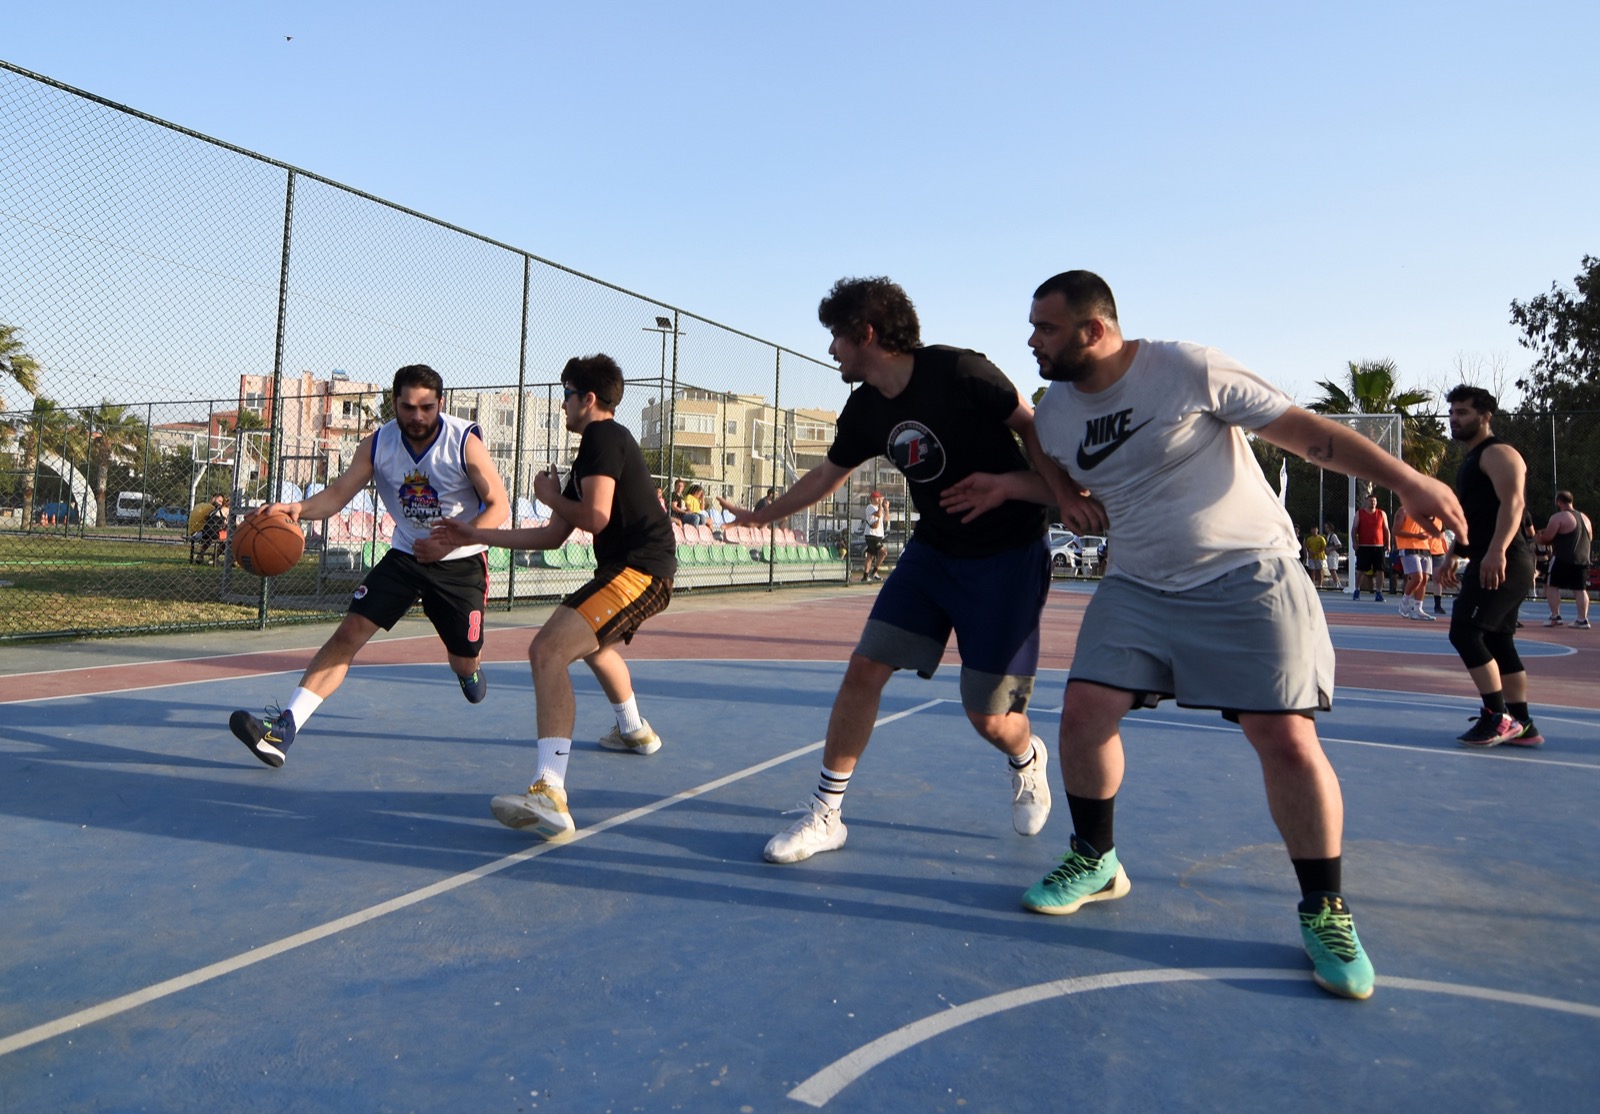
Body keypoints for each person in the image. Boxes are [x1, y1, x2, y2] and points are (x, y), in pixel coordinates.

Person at [966, 269, 1466, 1001]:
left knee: (1284, 737)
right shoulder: (1057, 412)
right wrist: (1020, 486)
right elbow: (1070, 480)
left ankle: (1324, 908)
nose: (1031, 340)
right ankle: (1095, 858)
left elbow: (1312, 435)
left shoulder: (1187, 368)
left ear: (1094, 330)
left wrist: (1408, 484)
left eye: (1045, 327)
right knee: (1083, 713)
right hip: (1138, 581)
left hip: (1247, 573)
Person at [719, 275, 1077, 864]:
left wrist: (1050, 493)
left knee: (989, 716)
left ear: (866, 333)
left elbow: (1031, 428)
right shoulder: (863, 409)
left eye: (837, 336)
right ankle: (827, 815)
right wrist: (761, 515)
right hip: (933, 556)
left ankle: (1026, 756)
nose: (831, 349)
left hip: (1006, 556)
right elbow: (825, 477)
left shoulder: (962, 372)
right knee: (864, 668)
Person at [434, 355, 677, 841]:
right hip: (634, 569)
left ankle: (551, 792)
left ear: (589, 399)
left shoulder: (604, 437)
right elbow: (551, 538)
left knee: (547, 649)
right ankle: (634, 729)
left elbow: (596, 518)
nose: (563, 403)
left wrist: (547, 495)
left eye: (567, 394)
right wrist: (473, 535)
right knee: (593, 647)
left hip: (640, 571)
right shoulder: (595, 449)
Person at [228, 364, 510, 767]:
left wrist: (452, 539)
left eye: (427, 407)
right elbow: (339, 494)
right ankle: (283, 732)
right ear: (393, 403)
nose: (417, 416)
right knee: (349, 633)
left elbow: (498, 505)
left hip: (460, 564)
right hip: (406, 555)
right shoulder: (379, 444)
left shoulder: (463, 441)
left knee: (464, 658)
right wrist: (298, 508)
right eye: (408, 407)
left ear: (440, 404)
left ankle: (467, 669)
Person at [1439, 385, 1542, 747]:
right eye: (1452, 413)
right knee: (1498, 640)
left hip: (1505, 559)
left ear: (1485, 416)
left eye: (1463, 412)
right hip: (1491, 556)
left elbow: (1512, 505)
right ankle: (1523, 724)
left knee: (1465, 633)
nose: (1454, 419)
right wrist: (1455, 552)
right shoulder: (1471, 459)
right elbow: (1475, 515)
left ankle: (1497, 717)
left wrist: (1497, 551)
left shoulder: (1499, 453)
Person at [1536, 491, 1592, 629]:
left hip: (1563, 557)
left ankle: (1555, 616)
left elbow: (1547, 538)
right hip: (1582, 558)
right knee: (1580, 589)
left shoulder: (1558, 517)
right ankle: (1582, 619)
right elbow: (1589, 538)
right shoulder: (1585, 518)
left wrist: (1539, 538)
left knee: (1551, 585)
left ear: (1558, 502)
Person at [1393, 506, 1439, 621]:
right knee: (1416, 578)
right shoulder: (1403, 511)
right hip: (1408, 548)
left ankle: (1418, 609)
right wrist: (1416, 536)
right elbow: (1395, 530)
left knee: (1424, 579)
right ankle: (1404, 602)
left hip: (1425, 547)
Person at [1352, 494, 1389, 601]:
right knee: (1361, 570)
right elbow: (1354, 529)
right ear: (1366, 502)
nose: (1372, 503)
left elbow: (1386, 530)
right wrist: (1355, 542)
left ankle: (1379, 593)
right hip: (1364, 546)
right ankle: (1357, 590)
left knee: (1380, 570)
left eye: (1374, 501)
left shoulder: (1382, 513)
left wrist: (1388, 544)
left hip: (1379, 546)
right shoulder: (1360, 513)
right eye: (1370, 501)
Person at [860, 490, 888, 582]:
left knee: (870, 557)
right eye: (876, 497)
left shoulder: (880, 508)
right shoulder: (870, 507)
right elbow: (879, 514)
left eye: (879, 497)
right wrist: (880, 504)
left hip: (878, 535)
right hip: (871, 535)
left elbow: (886, 519)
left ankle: (865, 576)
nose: (879, 499)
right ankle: (874, 572)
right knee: (884, 552)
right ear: (872, 498)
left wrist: (886, 508)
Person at [1323, 523, 1345, 590]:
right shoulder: (1328, 536)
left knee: (1333, 569)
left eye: (1327, 527)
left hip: (1333, 554)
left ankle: (1337, 584)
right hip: (1329, 555)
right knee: (1331, 569)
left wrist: (1330, 549)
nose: (1325, 529)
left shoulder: (1333, 536)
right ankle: (1337, 583)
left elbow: (1339, 545)